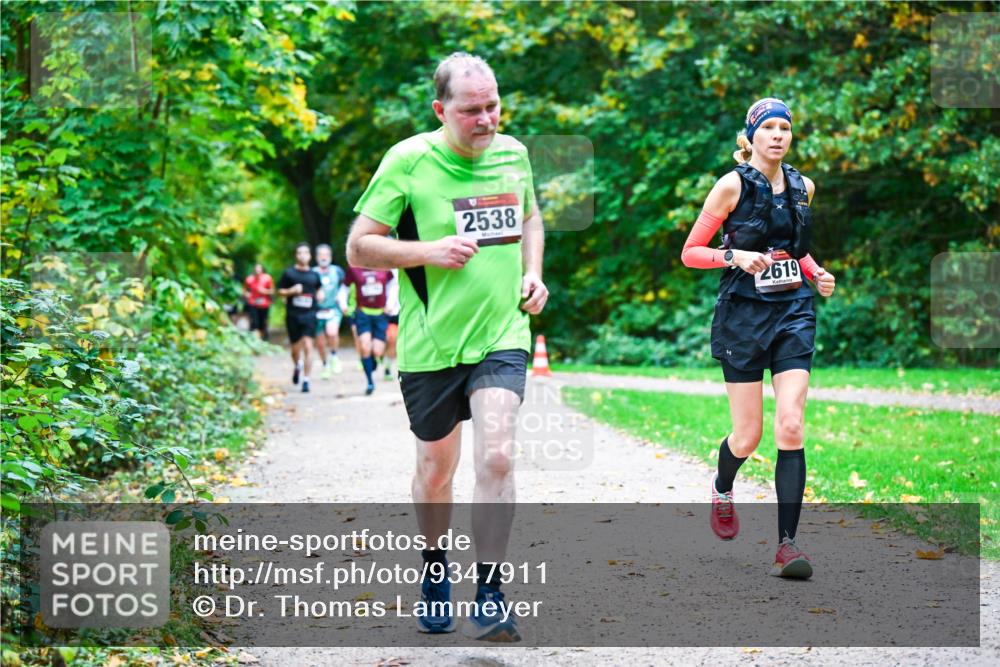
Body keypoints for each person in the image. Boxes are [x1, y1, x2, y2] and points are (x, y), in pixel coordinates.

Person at [346, 52, 547, 641]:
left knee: (498, 457)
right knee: (436, 470)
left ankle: (490, 592)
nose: (485, 119)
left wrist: (533, 273)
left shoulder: (514, 153)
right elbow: (359, 246)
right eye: (470, 110)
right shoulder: (408, 161)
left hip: (501, 333)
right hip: (430, 343)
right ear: (440, 110)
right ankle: (435, 571)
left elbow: (531, 218)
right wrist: (428, 251)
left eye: (493, 107)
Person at [681, 97, 837, 579]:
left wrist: (816, 272)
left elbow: (794, 250)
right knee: (748, 435)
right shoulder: (731, 186)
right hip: (743, 315)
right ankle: (723, 485)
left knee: (791, 424)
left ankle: (787, 546)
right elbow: (691, 252)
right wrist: (734, 257)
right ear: (750, 137)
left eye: (784, 128)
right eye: (768, 127)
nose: (777, 135)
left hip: (793, 311)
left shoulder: (803, 186)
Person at [277, 243, 324, 393]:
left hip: (310, 315)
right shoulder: (289, 273)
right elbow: (279, 291)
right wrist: (291, 291)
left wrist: (320, 294)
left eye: (305, 252)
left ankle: (306, 380)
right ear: (296, 256)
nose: (302, 255)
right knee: (295, 350)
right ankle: (298, 365)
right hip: (293, 315)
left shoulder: (314, 275)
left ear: (310, 256)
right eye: (299, 253)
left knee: (308, 346)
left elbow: (319, 288)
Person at [343, 265, 393, 395]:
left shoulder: (384, 267)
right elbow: (344, 287)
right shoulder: (354, 268)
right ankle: (370, 382)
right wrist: (343, 304)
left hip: (380, 314)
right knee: (365, 346)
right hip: (363, 313)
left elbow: (393, 285)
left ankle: (373, 360)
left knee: (377, 350)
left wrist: (390, 303)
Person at [312, 244, 347, 378]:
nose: (324, 257)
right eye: (321, 255)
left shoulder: (337, 271)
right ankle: (325, 365)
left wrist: (343, 302)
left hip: (333, 308)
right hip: (316, 311)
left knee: (332, 332)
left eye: (326, 254)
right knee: (320, 342)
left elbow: (344, 288)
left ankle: (334, 356)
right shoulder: (312, 272)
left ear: (331, 257)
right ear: (316, 257)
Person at [243, 263, 273, 341]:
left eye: (259, 269)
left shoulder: (267, 278)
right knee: (254, 322)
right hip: (253, 303)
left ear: (262, 270)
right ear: (254, 270)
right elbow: (244, 290)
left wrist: (264, 291)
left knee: (262, 322)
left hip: (264, 304)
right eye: (256, 269)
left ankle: (263, 338)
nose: (257, 271)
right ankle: (256, 340)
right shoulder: (249, 279)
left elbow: (272, 291)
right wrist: (247, 294)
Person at [382, 268, 400, 380]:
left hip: (404, 310)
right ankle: (384, 361)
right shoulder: (384, 269)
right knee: (389, 339)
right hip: (386, 311)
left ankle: (388, 365)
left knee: (394, 340)